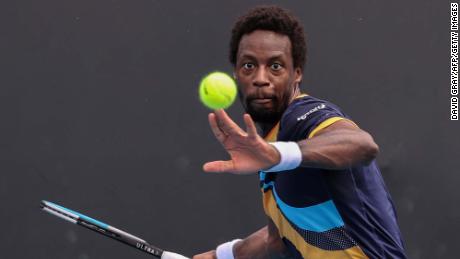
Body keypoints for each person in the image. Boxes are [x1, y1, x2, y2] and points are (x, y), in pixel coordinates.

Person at [194, 6, 406, 259]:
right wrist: (219, 255)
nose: (261, 78)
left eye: (275, 66)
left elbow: (362, 145)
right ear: (236, 74)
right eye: (249, 65)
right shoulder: (270, 147)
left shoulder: (301, 116)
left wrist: (277, 154)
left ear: (296, 74)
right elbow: (276, 240)